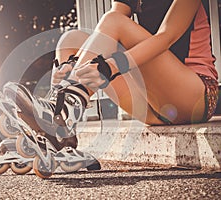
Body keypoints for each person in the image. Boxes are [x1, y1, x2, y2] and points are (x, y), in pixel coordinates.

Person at [12, 0, 218, 148]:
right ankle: (59, 133)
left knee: (114, 20)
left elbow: (166, 36)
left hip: (195, 97)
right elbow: (106, 34)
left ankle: (60, 111)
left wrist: (110, 66)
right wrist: (74, 66)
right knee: (71, 39)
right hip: (154, 107)